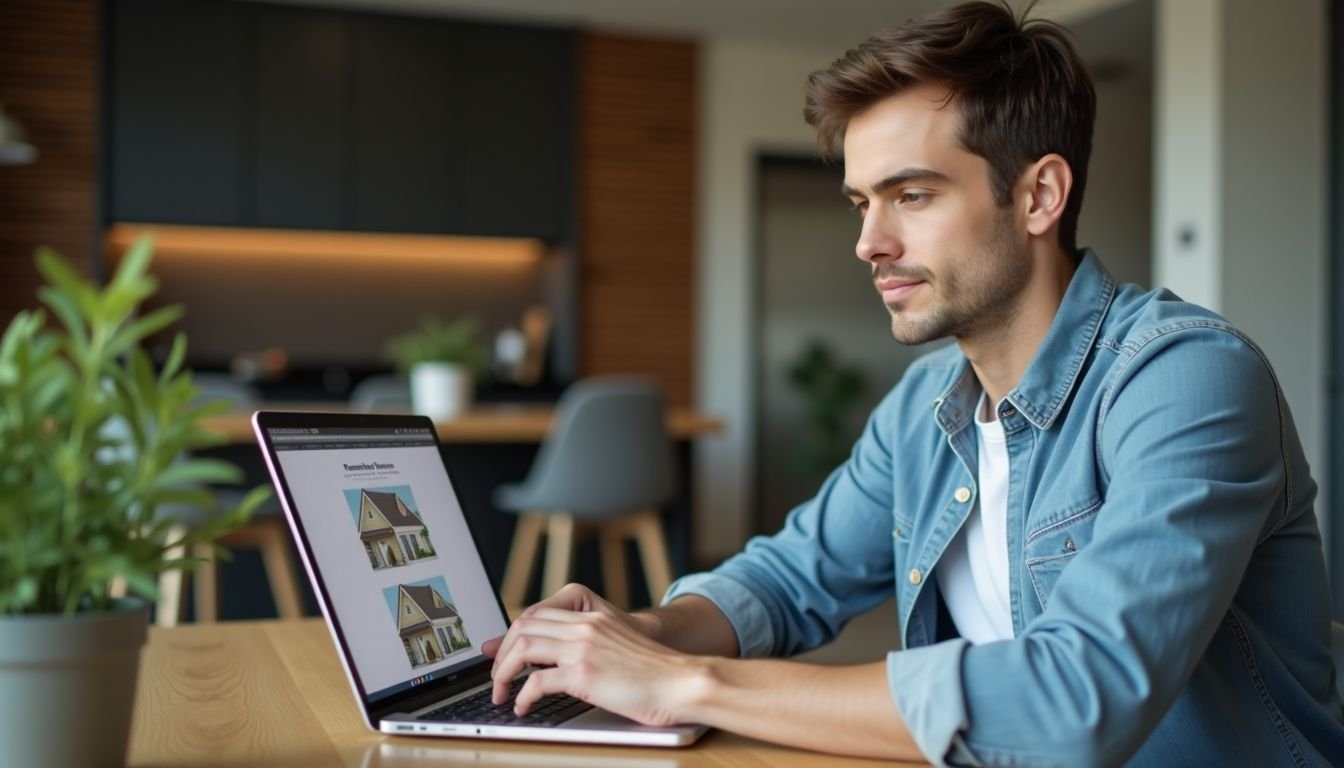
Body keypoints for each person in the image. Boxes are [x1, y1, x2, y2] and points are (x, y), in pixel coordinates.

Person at [482, 1, 1344, 764]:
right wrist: (632, 635)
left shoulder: (1186, 378)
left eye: (913, 195)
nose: (869, 243)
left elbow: (1080, 698)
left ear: (1039, 195)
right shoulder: (927, 405)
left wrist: (686, 681)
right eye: (862, 201)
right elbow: (790, 580)